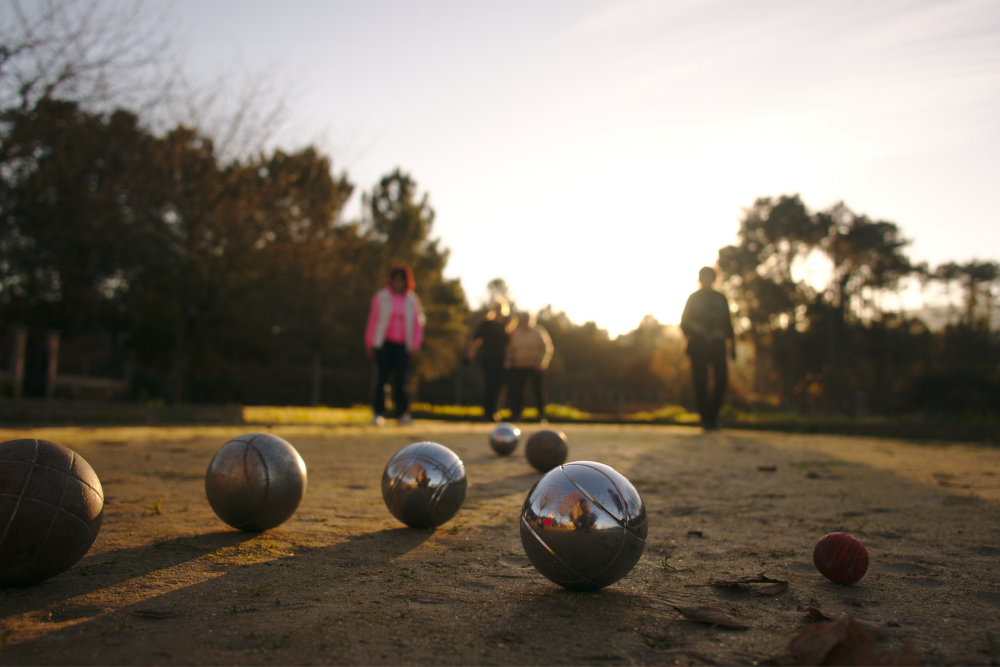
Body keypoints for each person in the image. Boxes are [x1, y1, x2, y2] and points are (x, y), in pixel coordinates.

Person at [364, 264, 425, 426]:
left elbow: (418, 324)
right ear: (391, 280)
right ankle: (378, 413)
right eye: (396, 279)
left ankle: (402, 413)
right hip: (383, 343)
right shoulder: (382, 296)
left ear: (407, 281)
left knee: (402, 380)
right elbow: (373, 319)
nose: (398, 283)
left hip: (403, 346)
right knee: (381, 378)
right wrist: (369, 342)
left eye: (402, 280)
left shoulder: (412, 299)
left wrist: (416, 344)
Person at [681, 266, 735, 431]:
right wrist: (694, 334)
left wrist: (732, 345)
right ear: (700, 278)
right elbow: (684, 322)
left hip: (717, 345)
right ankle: (705, 418)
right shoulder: (693, 298)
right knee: (700, 382)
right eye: (703, 276)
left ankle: (713, 415)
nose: (706, 279)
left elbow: (728, 323)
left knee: (721, 379)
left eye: (709, 276)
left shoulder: (720, 298)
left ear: (714, 278)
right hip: (698, 346)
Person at [466, 298, 511, 422]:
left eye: (500, 309)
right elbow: (474, 339)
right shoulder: (486, 324)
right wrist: (470, 354)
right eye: (496, 308)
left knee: (499, 386)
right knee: (490, 385)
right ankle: (487, 413)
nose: (498, 311)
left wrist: (508, 360)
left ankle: (495, 412)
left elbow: (509, 345)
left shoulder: (505, 325)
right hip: (488, 359)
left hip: (501, 360)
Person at [505, 311, 553, 422]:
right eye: (522, 319)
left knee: (537, 392)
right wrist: (508, 360)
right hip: (518, 367)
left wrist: (541, 363)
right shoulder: (515, 333)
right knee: (517, 392)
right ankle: (516, 415)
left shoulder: (538, 332)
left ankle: (541, 415)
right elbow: (510, 350)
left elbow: (547, 349)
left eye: (526, 319)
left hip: (535, 367)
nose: (524, 321)